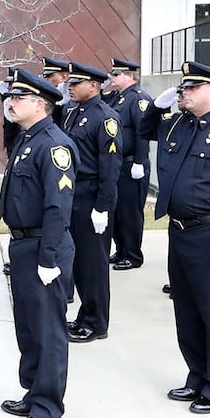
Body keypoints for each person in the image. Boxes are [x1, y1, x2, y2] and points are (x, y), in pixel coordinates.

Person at [138, 62, 210, 414]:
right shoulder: (177, 124)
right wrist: (158, 105)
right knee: (186, 310)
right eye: (183, 87)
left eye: (192, 88)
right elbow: (145, 129)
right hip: (180, 231)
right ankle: (197, 375)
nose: (183, 92)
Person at [0, 69, 77, 418]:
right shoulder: (29, 138)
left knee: (47, 331)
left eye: (18, 99)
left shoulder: (54, 145)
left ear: (39, 104)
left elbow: (57, 208)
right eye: (10, 98)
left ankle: (47, 408)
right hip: (23, 244)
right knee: (28, 328)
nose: (10, 103)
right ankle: (33, 393)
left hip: (44, 246)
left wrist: (48, 259)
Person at [61, 61, 122, 342]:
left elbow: (110, 167)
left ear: (94, 86)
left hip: (91, 196)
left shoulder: (105, 117)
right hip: (73, 194)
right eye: (70, 83)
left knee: (93, 264)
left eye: (76, 83)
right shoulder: (74, 112)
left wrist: (103, 207)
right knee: (78, 263)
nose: (69, 87)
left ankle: (96, 322)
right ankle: (85, 315)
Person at [105, 59, 153, 271]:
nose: (112, 78)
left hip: (132, 163)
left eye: (116, 75)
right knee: (117, 212)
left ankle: (133, 255)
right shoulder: (118, 98)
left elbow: (142, 131)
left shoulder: (138, 99)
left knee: (130, 213)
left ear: (130, 76)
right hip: (118, 164)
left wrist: (140, 162)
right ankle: (122, 249)